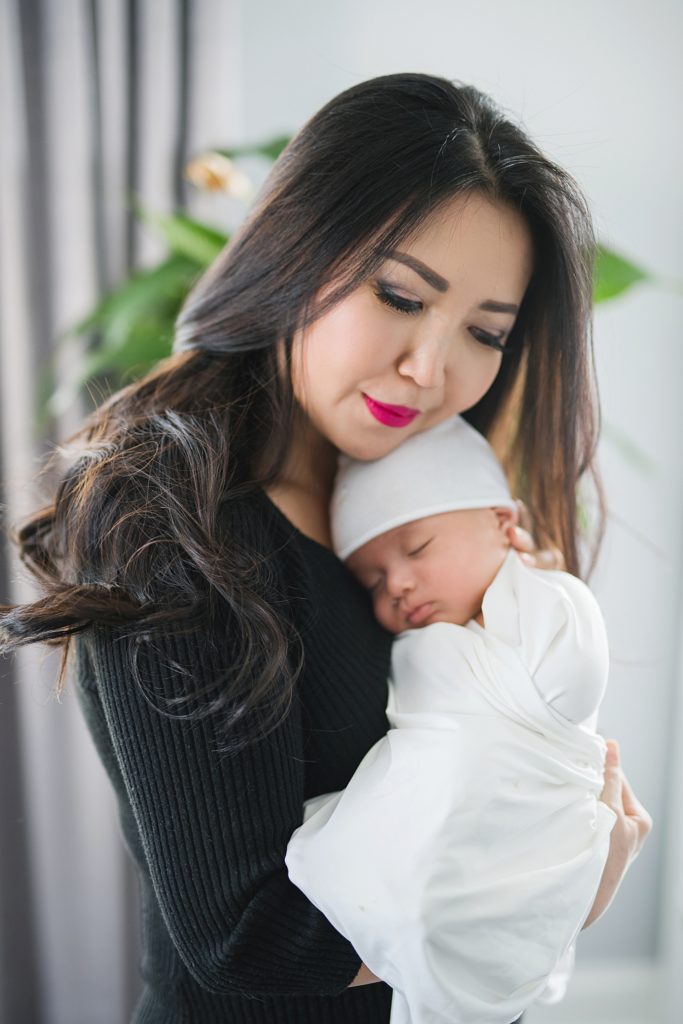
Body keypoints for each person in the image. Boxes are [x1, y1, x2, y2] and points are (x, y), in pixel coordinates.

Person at [0, 73, 651, 1023]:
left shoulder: (412, 505)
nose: (429, 370)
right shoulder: (171, 518)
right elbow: (245, 940)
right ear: (297, 250)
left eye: (484, 332)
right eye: (399, 295)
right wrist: (548, 896)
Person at [286, 413, 618, 1024]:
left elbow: (570, 685)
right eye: (372, 581)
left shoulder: (550, 606)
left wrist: (529, 599)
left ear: (503, 523)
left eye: (417, 549)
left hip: (520, 795)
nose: (398, 584)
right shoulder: (413, 646)